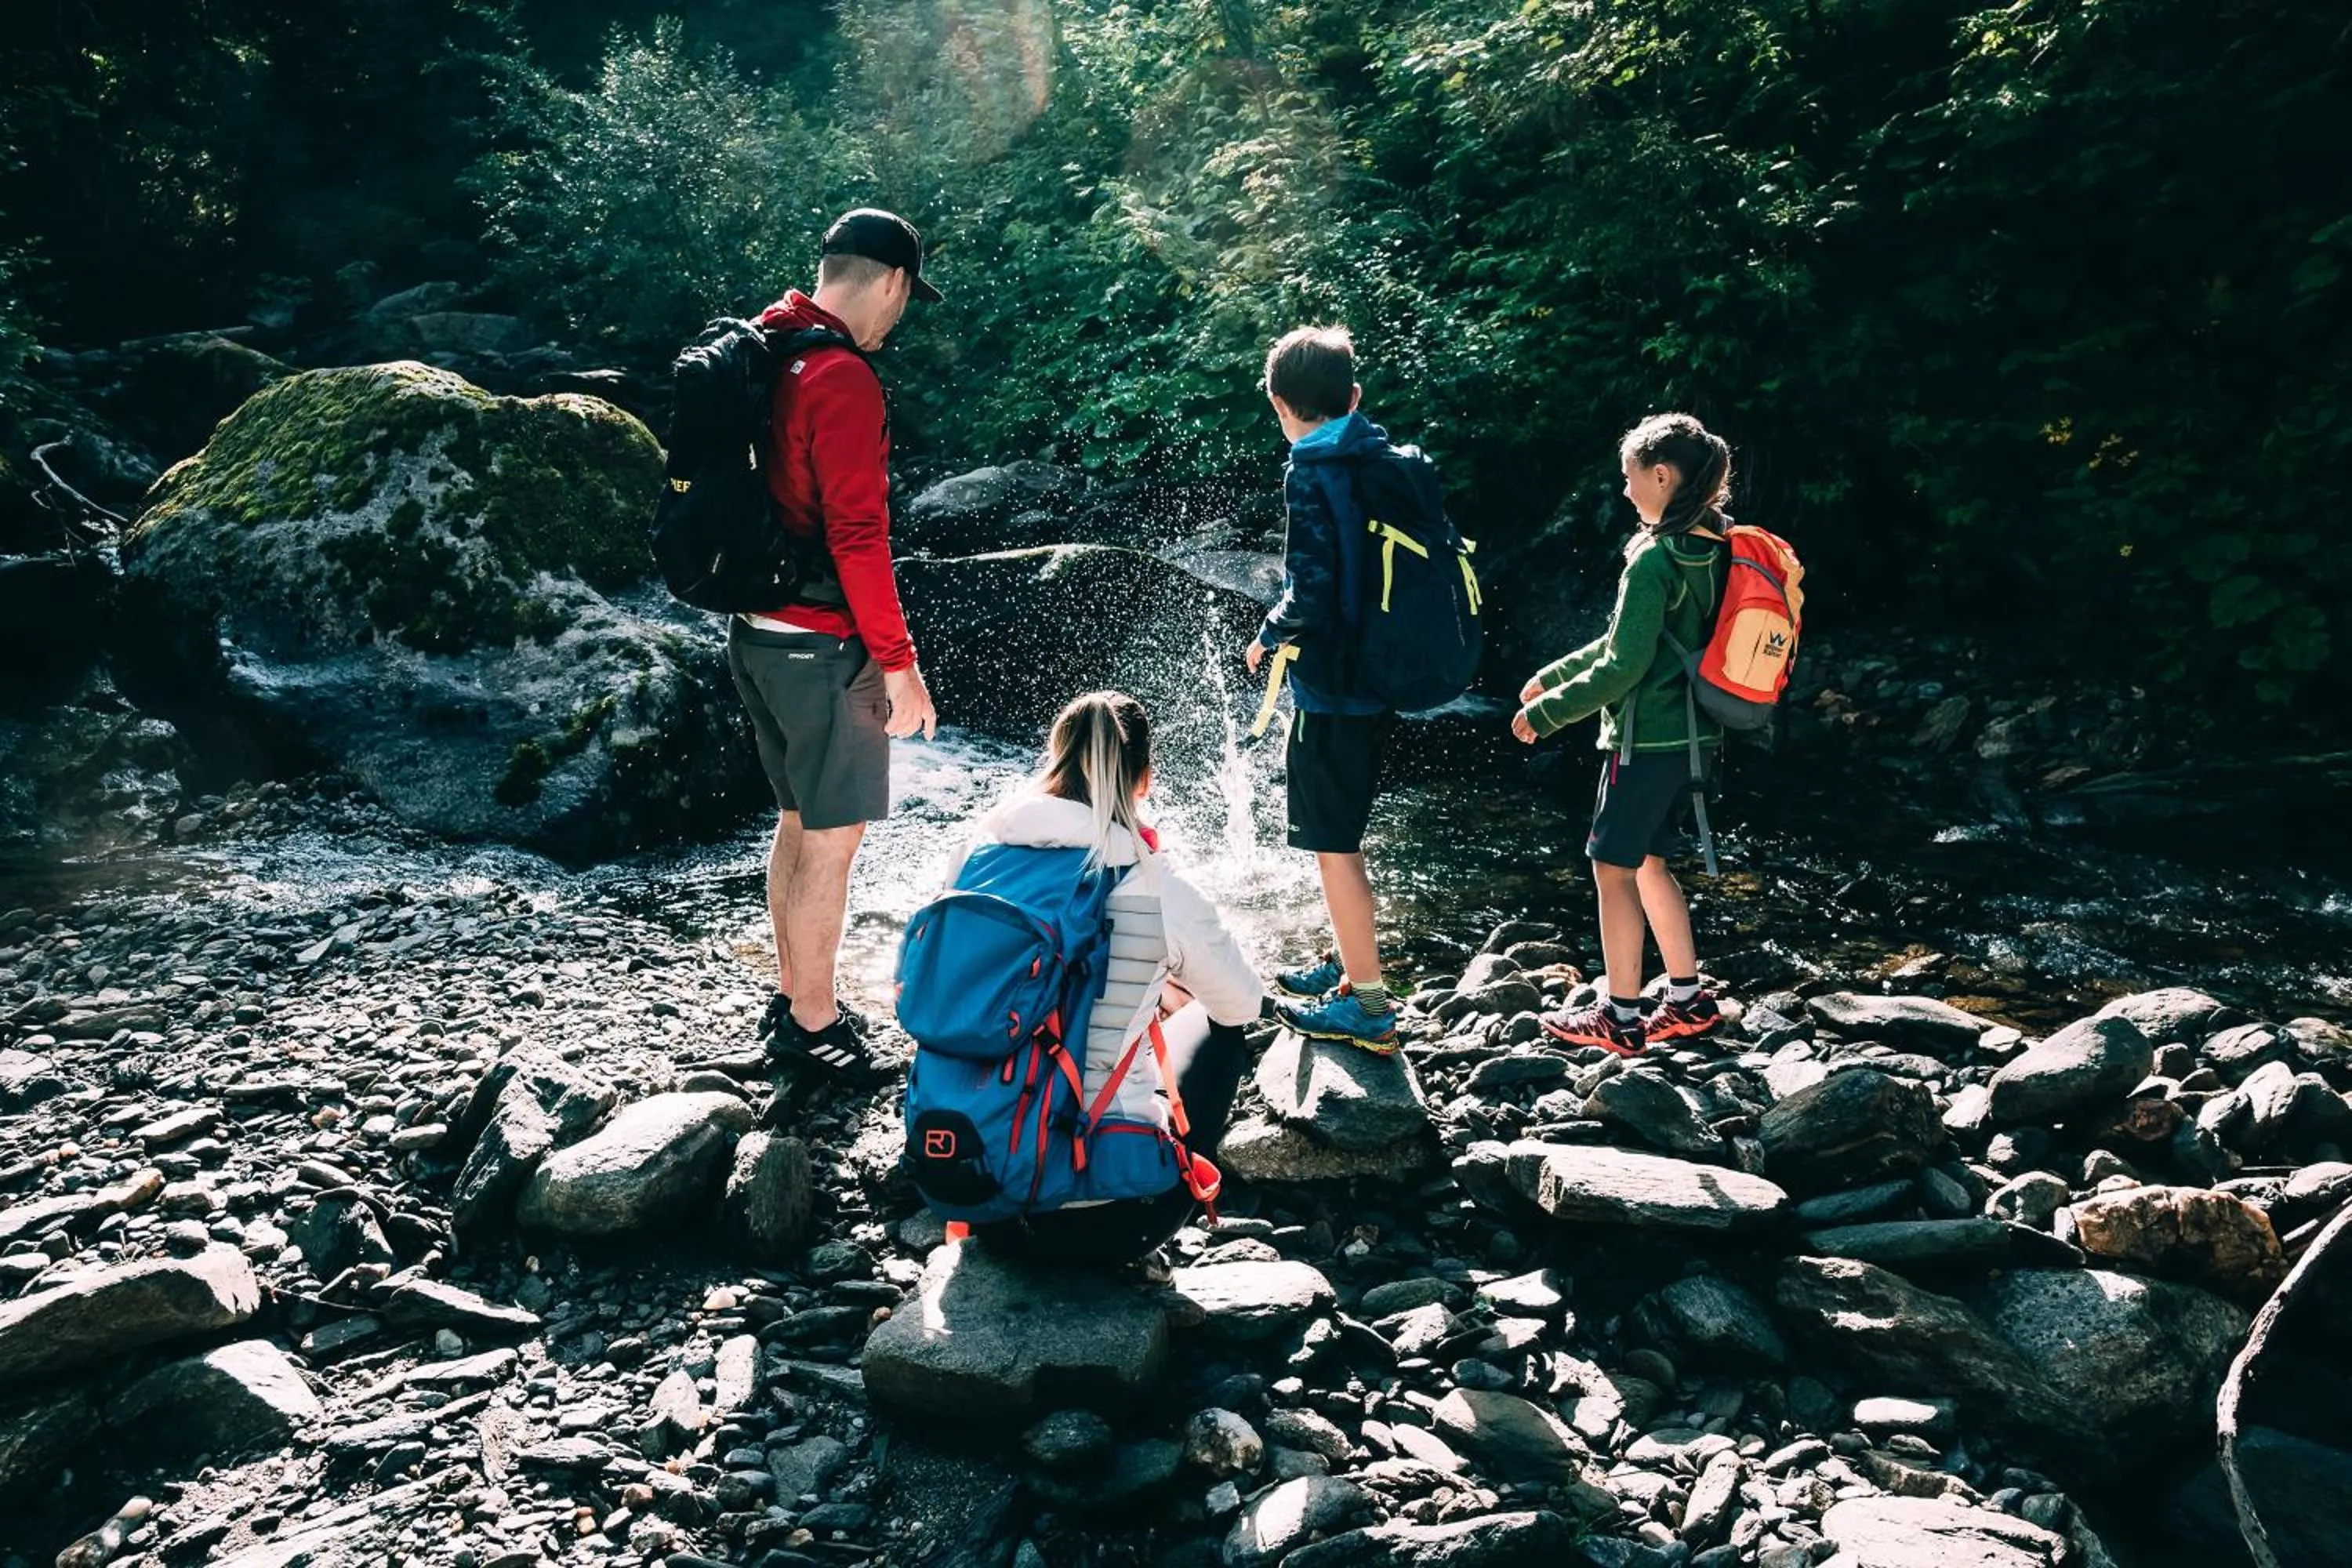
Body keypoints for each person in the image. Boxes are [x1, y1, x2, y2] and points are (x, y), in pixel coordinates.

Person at [729, 208, 942, 1083]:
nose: (900, 317)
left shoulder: (768, 346)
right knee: (834, 836)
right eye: (905, 299)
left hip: (757, 633)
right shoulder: (843, 378)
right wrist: (901, 665)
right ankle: (815, 1026)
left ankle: (793, 995)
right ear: (889, 281)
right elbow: (859, 534)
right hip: (821, 647)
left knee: (798, 821)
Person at [953, 691, 1264, 1264]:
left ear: (1053, 760)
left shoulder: (977, 860)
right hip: (1112, 1222)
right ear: (1142, 780)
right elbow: (1243, 1004)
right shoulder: (1152, 883)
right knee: (1221, 1028)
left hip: (974, 1195)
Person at [1511, 412, 1732, 1055]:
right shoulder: (1713, 545)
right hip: (1696, 737)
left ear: (1661, 475)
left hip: (1644, 741)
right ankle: (1688, 1000)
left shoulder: (1655, 560)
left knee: (1610, 869)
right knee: (1650, 865)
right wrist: (1551, 676)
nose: (1626, 490)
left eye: (1631, 477)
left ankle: (1621, 1015)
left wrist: (1548, 714)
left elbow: (1624, 665)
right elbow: (1632, 640)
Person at [1246, 325, 1413, 1052]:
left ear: (1280, 404)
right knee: (1342, 833)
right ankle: (1350, 965)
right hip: (1382, 674)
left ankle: (1369, 1006)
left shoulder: (1311, 468)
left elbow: (1309, 588)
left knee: (1333, 843)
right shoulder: (1381, 457)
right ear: (1354, 396)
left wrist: (1268, 634)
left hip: (1333, 686)